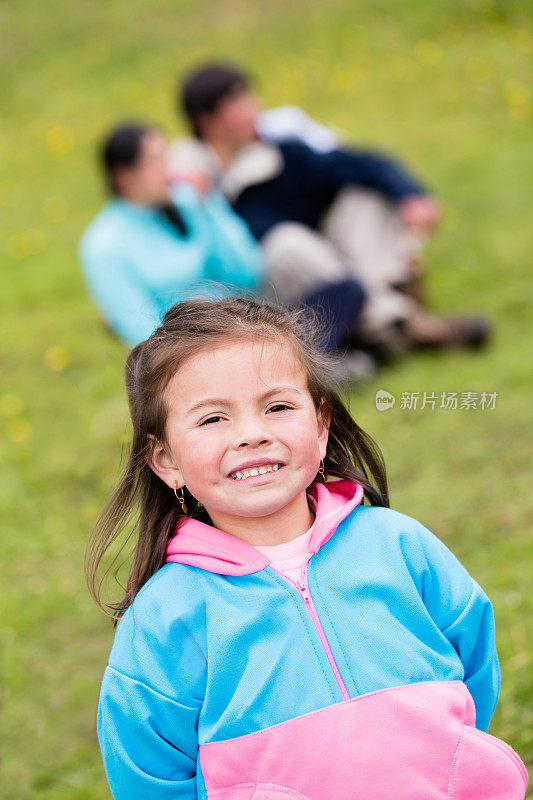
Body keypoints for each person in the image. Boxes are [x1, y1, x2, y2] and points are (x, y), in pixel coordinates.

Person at [88, 296, 527, 799]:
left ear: (320, 427)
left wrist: (454, 755)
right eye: (213, 419)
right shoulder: (166, 616)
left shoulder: (398, 545)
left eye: (277, 407)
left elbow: (473, 662)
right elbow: (147, 770)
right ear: (166, 461)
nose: (253, 435)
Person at [171, 62, 491, 357]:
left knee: (361, 195)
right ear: (208, 121)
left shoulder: (282, 154)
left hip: (333, 274)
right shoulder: (185, 179)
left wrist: (410, 195)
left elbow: (358, 163)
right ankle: (406, 324)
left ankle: (384, 325)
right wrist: (191, 191)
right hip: (270, 301)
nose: (252, 108)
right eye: (236, 103)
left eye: (248, 97)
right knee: (286, 244)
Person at [79, 122, 374, 383]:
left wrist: (208, 204)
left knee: (346, 290)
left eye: (166, 156)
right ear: (123, 176)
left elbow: (246, 272)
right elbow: (140, 333)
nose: (168, 168)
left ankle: (294, 368)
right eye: (155, 161)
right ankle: (304, 368)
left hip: (248, 320)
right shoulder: (104, 244)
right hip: (192, 349)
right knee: (311, 348)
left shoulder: (186, 201)